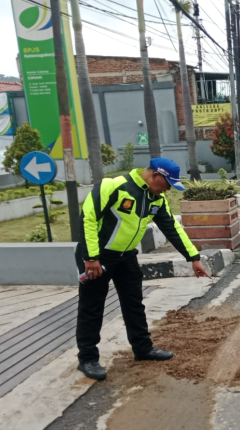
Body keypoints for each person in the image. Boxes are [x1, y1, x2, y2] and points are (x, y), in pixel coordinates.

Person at [75, 158, 210, 380]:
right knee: (92, 308)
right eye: (167, 184)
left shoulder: (156, 198)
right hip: (97, 257)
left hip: (126, 257)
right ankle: (88, 358)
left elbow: (171, 227)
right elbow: (88, 219)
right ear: (155, 175)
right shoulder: (113, 185)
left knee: (134, 304)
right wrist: (90, 257)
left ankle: (143, 348)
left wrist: (193, 257)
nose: (167, 190)